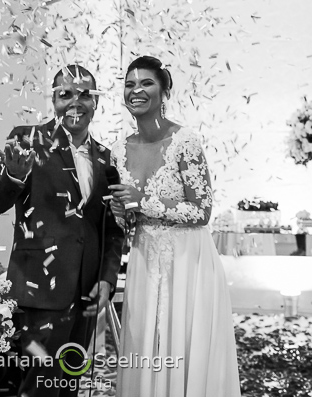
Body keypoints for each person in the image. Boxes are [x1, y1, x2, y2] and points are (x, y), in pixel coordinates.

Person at [0, 64, 125, 397]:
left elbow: (113, 228)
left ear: (96, 103)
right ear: (54, 100)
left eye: (85, 94)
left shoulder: (106, 159)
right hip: (39, 293)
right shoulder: (26, 139)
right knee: (37, 389)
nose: (76, 101)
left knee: (68, 388)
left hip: (87, 294)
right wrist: (13, 177)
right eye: (66, 94)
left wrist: (107, 278)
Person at [109, 56, 241, 396]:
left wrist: (141, 200)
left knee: (184, 343)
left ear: (164, 90)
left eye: (146, 83)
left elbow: (201, 210)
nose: (136, 91)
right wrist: (120, 212)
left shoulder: (185, 140)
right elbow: (127, 218)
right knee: (145, 343)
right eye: (129, 84)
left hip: (187, 262)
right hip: (143, 260)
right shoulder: (118, 150)